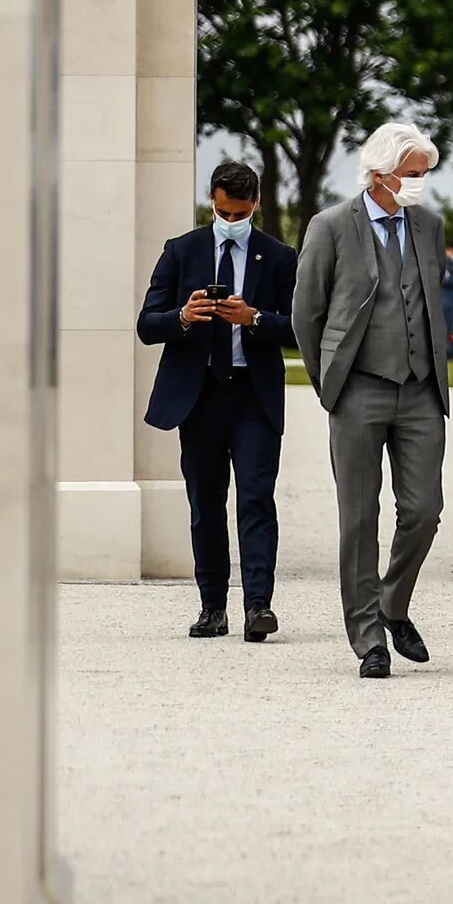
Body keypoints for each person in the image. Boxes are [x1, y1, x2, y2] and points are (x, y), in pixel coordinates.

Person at [292, 120, 452, 679]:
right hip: (358, 391)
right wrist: (329, 382)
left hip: (421, 392)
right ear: (380, 174)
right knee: (359, 518)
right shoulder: (331, 226)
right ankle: (368, 639)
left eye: (425, 175)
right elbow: (305, 314)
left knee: (424, 511)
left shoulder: (429, 227)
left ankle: (392, 604)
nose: (420, 185)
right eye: (412, 175)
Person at [135, 158, 297, 642]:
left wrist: (254, 318)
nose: (232, 221)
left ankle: (258, 606)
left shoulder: (281, 256)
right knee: (206, 503)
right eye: (225, 213)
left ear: (257, 204)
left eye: (241, 214)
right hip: (199, 395)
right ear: (213, 200)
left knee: (255, 499)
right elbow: (147, 324)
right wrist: (183, 316)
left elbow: (300, 329)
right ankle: (212, 607)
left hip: (253, 395)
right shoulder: (181, 251)